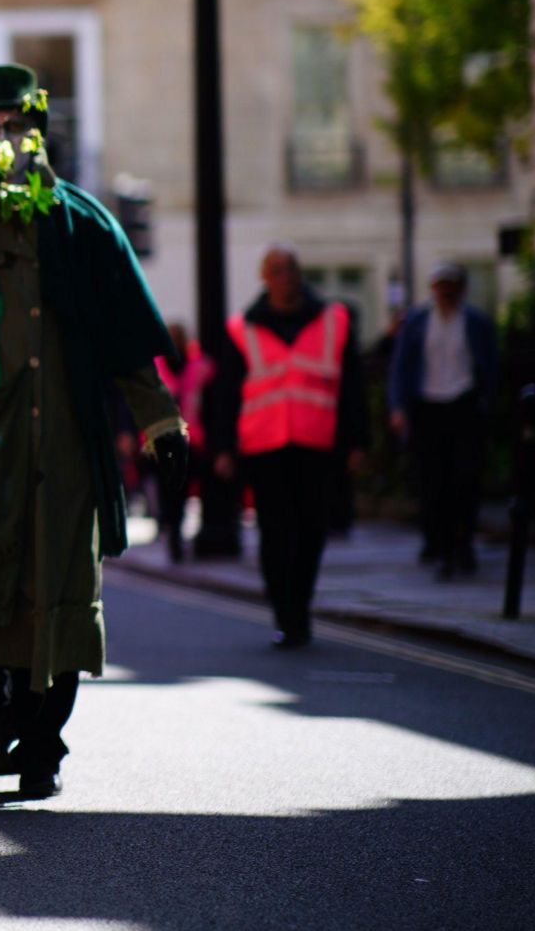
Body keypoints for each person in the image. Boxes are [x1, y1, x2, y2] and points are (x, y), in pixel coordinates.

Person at [0, 65, 186, 798]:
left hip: (56, 446)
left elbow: (122, 335)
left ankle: (44, 741)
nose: (0, 141)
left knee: (54, 585)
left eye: (13, 126)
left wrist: (158, 420)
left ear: (37, 134)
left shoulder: (80, 221)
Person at [207, 244, 368, 649]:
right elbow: (226, 393)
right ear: (265, 278)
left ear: (299, 274)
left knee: (312, 530)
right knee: (275, 534)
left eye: (289, 268)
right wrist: (224, 448)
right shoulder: (242, 327)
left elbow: (353, 387)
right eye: (275, 270)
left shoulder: (334, 320)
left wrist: (357, 441)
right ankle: (286, 613)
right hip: (265, 447)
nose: (284, 277)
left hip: (317, 445)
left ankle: (300, 607)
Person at [389, 262, 498, 578]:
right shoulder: (418, 322)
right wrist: (398, 407)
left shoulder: (476, 322)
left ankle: (463, 545)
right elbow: (400, 366)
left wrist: (485, 403)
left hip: (464, 405)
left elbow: (490, 366)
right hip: (428, 407)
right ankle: (437, 543)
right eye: (440, 285)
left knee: (465, 480)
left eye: (452, 285)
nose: (446, 292)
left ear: (462, 289)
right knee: (432, 481)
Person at [153, 322, 215, 562]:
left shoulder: (200, 367)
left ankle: (178, 533)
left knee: (186, 491)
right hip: (166, 441)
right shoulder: (156, 366)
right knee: (171, 493)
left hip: (194, 442)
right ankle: (174, 534)